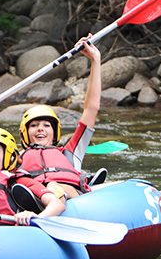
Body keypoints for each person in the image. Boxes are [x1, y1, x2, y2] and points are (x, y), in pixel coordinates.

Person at [17, 34, 105, 202]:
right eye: (34, 125)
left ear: (55, 131)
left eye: (46, 125)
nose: (40, 128)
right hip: (35, 197)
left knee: (54, 187)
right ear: (25, 133)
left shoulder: (71, 152)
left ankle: (56, 201)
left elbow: (91, 109)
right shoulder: (14, 158)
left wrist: (95, 60)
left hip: (70, 199)